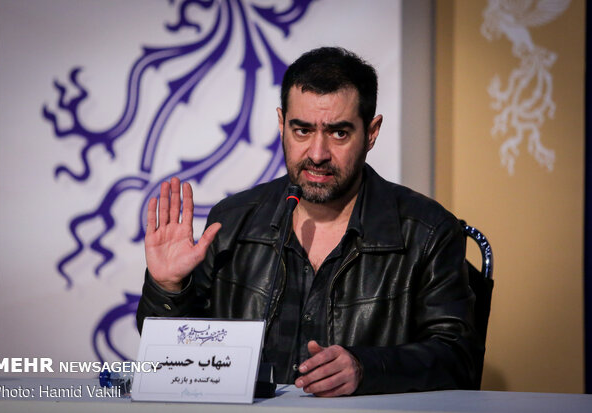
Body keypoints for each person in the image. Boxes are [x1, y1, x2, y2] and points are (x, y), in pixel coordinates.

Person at [136, 47, 479, 396]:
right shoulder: (231, 223)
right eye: (302, 130)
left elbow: (459, 358)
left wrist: (366, 368)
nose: (317, 154)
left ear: (371, 132)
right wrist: (168, 288)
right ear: (281, 124)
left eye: (339, 133)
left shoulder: (428, 231)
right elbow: (176, 362)